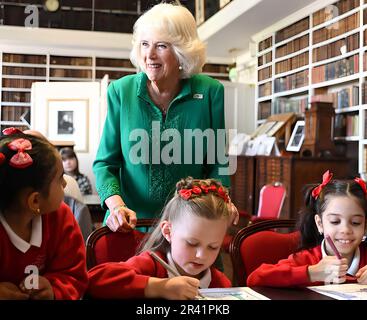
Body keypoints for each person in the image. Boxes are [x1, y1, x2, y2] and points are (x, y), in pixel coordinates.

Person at [93, 3, 232, 232]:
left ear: (182, 51)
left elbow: (218, 163)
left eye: (161, 46)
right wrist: (117, 207)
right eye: (145, 44)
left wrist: (222, 200)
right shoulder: (121, 91)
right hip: (130, 225)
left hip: (189, 226)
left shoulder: (210, 92)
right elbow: (105, 164)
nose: (149, 54)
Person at [87, 177, 232, 299]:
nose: (201, 255)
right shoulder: (151, 264)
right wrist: (159, 287)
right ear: (168, 231)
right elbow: (93, 280)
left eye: (213, 247)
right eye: (192, 243)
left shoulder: (221, 283)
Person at [0, 129, 88, 299]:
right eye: (60, 178)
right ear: (35, 201)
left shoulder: (62, 218)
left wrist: (54, 290)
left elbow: (75, 276)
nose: (65, 183)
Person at [247, 170, 367, 287]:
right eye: (335, 221)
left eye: (356, 222)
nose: (345, 230)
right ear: (320, 224)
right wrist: (312, 273)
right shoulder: (307, 259)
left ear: (365, 225)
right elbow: (255, 279)